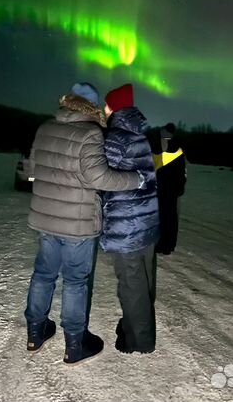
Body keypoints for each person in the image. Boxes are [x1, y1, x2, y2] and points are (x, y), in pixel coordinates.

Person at [25, 82, 145, 366]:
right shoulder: (90, 133)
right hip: (77, 225)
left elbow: (31, 169)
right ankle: (75, 344)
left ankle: (35, 332)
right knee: (75, 281)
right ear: (91, 108)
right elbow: (98, 178)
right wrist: (134, 179)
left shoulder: (44, 128)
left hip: (45, 218)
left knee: (43, 275)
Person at [100, 83, 160, 354]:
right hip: (147, 221)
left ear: (113, 107)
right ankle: (136, 328)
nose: (103, 109)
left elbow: (102, 179)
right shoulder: (140, 135)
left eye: (106, 105)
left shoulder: (115, 138)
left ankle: (139, 341)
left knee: (131, 285)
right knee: (144, 281)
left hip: (127, 226)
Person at [152, 123, 186, 255]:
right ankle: (169, 245)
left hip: (158, 188)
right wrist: (180, 186)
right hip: (172, 189)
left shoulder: (156, 147)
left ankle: (159, 243)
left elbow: (151, 167)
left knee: (159, 216)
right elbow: (183, 171)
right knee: (171, 217)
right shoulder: (178, 149)